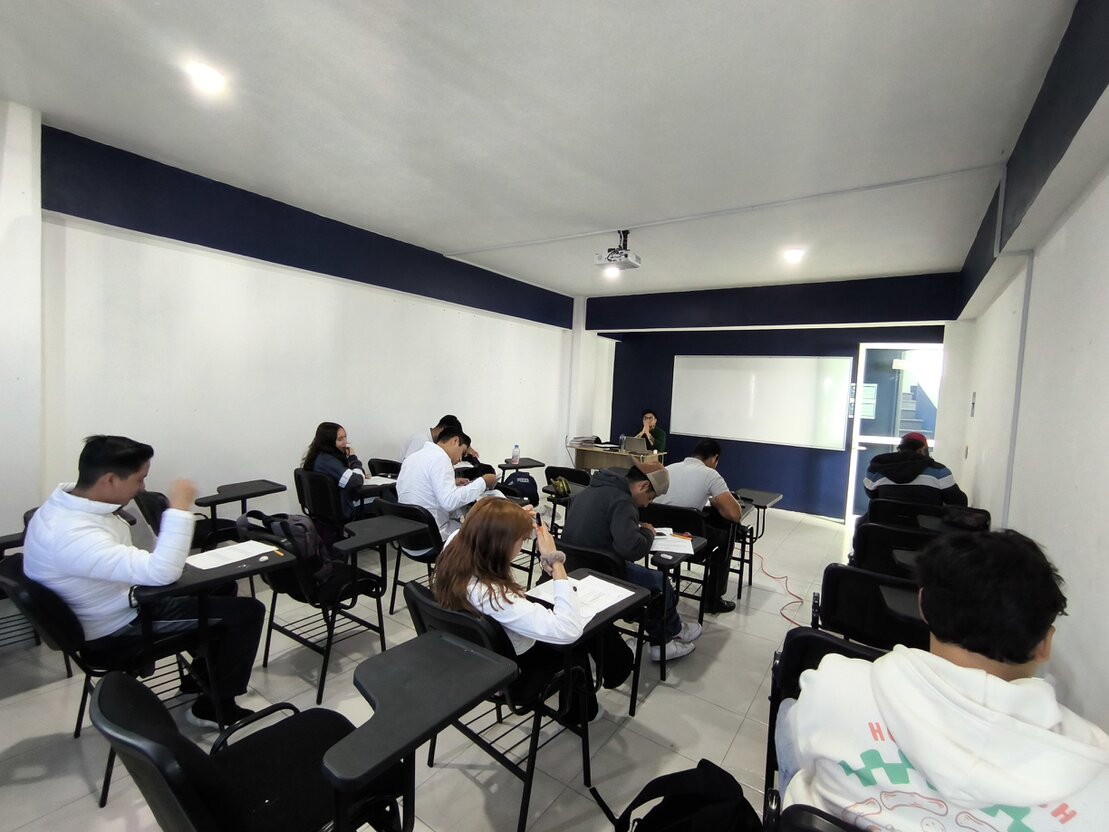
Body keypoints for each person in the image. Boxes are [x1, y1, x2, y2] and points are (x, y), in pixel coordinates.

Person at [778, 530, 1109, 829]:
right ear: (1044, 643)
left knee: (790, 714)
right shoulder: (1096, 779)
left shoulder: (835, 684)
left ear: (923, 605)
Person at [23, 435, 264, 728]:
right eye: (139, 479)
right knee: (248, 613)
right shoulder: (71, 534)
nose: (143, 488)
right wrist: (179, 508)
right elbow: (162, 572)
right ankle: (213, 707)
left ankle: (200, 680)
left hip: (114, 600)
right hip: (115, 630)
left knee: (221, 587)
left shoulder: (64, 505)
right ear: (110, 480)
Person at [433, 499, 600, 722]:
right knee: (577, 646)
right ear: (500, 544)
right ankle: (580, 715)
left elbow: (483, 525)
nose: (522, 545)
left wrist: (514, 518)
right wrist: (555, 561)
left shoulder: (457, 545)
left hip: (469, 653)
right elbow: (568, 630)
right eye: (520, 540)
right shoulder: (494, 596)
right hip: (510, 673)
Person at [560, 461, 700, 662]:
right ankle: (664, 643)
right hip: (604, 574)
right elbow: (631, 549)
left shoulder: (588, 491)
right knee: (660, 582)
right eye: (650, 498)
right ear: (643, 486)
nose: (646, 505)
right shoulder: (622, 501)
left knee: (649, 577)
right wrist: (647, 532)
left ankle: (674, 628)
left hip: (573, 570)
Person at [653, 438, 744, 613]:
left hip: (659, 538)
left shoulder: (669, 468)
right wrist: (716, 502)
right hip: (689, 542)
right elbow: (735, 514)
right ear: (714, 458)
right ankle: (713, 598)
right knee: (729, 536)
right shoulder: (710, 474)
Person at [396, 426, 497, 540]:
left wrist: (452, 482)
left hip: (408, 537)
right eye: (462, 453)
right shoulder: (441, 458)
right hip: (431, 537)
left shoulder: (413, 458)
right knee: (483, 536)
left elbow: (421, 485)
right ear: (455, 441)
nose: (460, 460)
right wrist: (483, 481)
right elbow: (449, 502)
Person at [863, 431, 967, 506]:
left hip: (884, 531)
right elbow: (958, 501)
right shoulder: (939, 471)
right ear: (922, 450)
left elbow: (872, 495)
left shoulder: (876, 469)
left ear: (900, 449)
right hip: (927, 533)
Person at [302, 421, 365, 520]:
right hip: (341, 510)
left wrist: (357, 471)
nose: (345, 442)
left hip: (325, 512)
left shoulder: (319, 457)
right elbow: (355, 482)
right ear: (329, 441)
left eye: (345, 437)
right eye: (340, 439)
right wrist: (353, 459)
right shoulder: (327, 461)